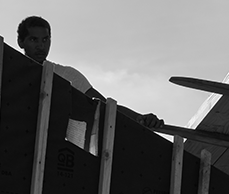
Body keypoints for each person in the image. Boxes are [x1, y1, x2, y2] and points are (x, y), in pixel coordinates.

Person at [16, 16, 163, 128]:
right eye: (34, 40)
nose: (41, 46)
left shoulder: (67, 75)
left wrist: (140, 118)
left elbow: (103, 107)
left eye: (45, 39)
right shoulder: (10, 71)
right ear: (21, 42)